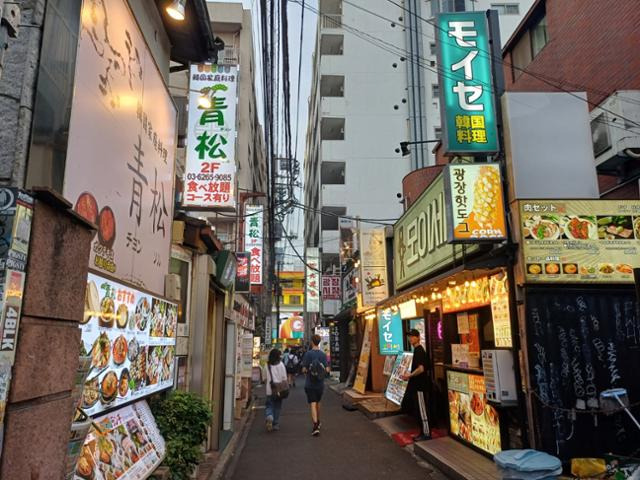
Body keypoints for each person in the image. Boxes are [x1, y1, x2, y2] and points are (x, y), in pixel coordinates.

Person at [401, 329, 431, 442]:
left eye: (412, 336)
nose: (410, 338)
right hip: (417, 386)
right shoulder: (417, 350)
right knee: (419, 410)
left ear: (418, 337)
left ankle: (427, 433)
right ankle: (422, 432)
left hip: (420, 386)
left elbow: (421, 368)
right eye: (409, 336)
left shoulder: (419, 350)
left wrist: (410, 375)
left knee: (423, 410)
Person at [302, 334, 329, 436]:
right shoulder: (323, 354)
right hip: (320, 383)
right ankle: (318, 420)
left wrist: (308, 370)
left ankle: (315, 424)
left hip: (310, 383)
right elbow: (327, 369)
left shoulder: (308, 354)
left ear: (312, 342)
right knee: (318, 402)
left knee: (313, 403)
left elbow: (304, 369)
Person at [265, 348, 288, 432]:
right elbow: (284, 377)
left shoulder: (267, 365)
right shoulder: (281, 365)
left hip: (269, 389)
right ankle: (275, 423)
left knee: (269, 405)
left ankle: (269, 415)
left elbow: (264, 377)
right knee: (277, 406)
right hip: (279, 389)